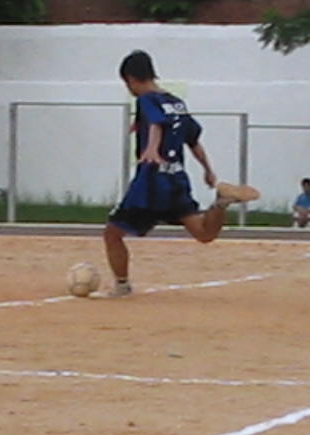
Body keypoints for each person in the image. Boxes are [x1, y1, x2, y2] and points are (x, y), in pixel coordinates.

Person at [103, 50, 260, 297]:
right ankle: (220, 204)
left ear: (131, 78)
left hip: (151, 181)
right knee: (204, 234)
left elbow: (157, 123)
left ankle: (122, 285)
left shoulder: (146, 100)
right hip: (176, 179)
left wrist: (152, 148)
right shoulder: (176, 103)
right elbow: (193, 140)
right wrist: (208, 170)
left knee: (112, 233)